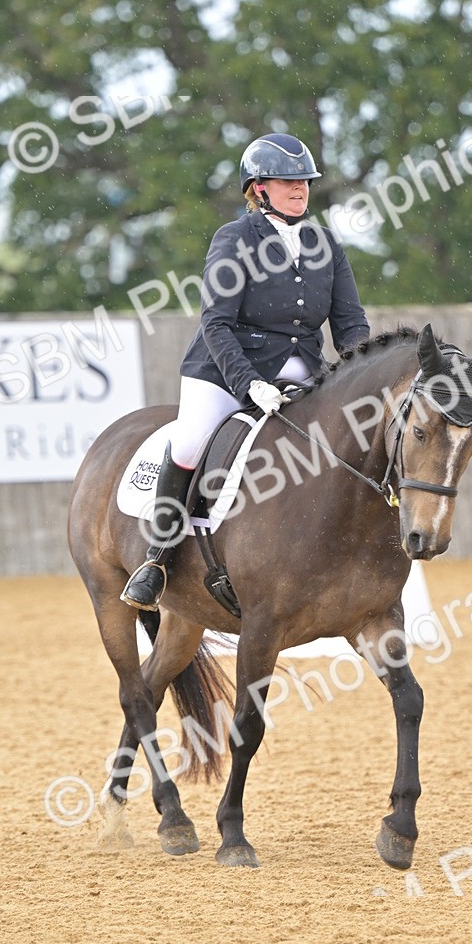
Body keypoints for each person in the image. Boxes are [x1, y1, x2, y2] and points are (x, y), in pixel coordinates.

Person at [121, 132, 370, 610]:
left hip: (304, 370)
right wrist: (248, 384)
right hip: (226, 368)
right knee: (191, 442)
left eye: (305, 181)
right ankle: (157, 560)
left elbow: (350, 324)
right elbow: (216, 323)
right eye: (288, 181)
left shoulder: (325, 244)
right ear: (259, 189)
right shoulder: (234, 238)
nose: (299, 188)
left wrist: (361, 374)